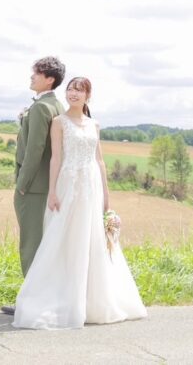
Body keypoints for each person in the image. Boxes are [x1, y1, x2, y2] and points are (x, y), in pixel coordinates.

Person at [12, 76, 147, 329]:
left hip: (91, 185)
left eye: (79, 90)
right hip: (68, 183)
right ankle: (60, 298)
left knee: (91, 238)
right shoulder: (58, 122)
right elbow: (55, 159)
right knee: (63, 236)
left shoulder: (94, 124)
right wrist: (53, 191)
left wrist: (106, 195)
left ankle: (91, 300)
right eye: (71, 89)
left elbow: (100, 161)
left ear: (88, 96)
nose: (73, 94)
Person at [1, 56, 66, 316]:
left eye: (36, 73)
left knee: (31, 245)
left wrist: (22, 184)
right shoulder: (57, 105)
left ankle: (30, 303)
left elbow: (35, 149)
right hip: (48, 185)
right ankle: (45, 298)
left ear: (49, 79)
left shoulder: (41, 108)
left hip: (34, 186)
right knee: (45, 244)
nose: (31, 77)